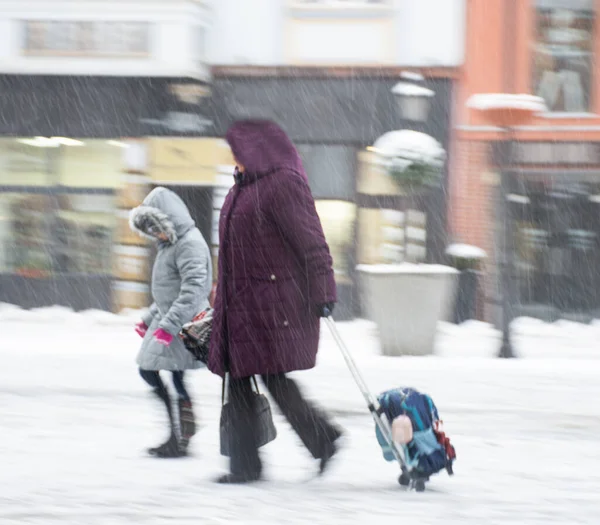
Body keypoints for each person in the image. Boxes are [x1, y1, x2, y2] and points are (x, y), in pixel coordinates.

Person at [207, 119, 343, 484]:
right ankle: (246, 464)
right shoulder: (240, 190)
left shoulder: (283, 185)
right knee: (239, 378)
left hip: (272, 304)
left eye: (238, 152)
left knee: (271, 377)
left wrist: (324, 292)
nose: (233, 159)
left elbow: (313, 243)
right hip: (240, 305)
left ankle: (321, 439)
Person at [129, 187, 212, 458]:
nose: (155, 235)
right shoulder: (171, 244)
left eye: (157, 228)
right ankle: (180, 433)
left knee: (164, 374)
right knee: (160, 374)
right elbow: (168, 292)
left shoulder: (189, 243)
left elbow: (193, 291)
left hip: (185, 325)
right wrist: (150, 319)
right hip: (170, 321)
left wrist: (168, 327)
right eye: (151, 230)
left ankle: (180, 437)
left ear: (169, 220)